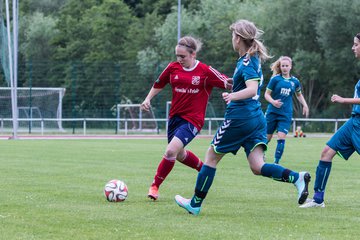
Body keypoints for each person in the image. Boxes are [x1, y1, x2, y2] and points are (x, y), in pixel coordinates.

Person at [174, 19, 311, 216]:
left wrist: (233, 95)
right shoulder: (251, 59)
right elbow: (249, 86)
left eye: (233, 36)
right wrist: (234, 84)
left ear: (238, 38)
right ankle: (297, 178)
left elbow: (252, 89)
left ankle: (195, 203)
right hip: (255, 118)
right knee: (257, 166)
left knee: (211, 157)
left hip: (239, 117)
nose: (232, 39)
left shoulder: (247, 61)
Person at [141, 36, 232, 201]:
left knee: (170, 151)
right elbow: (159, 84)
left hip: (193, 120)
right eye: (177, 56)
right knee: (180, 154)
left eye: (182, 56)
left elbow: (227, 82)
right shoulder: (172, 68)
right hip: (175, 118)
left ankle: (154, 186)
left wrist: (235, 89)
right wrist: (148, 99)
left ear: (193, 54)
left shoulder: (205, 71)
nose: (179, 59)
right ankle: (203, 169)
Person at [300, 33, 360, 208]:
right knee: (327, 152)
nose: (352, 47)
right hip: (353, 122)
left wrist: (343, 100)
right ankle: (318, 199)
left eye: (356, 44)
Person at [264, 56, 309, 164]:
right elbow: (266, 94)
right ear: (280, 66)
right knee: (267, 138)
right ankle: (260, 155)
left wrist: (305, 105)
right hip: (272, 113)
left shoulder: (295, 81)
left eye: (286, 66)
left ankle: (276, 162)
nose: (284, 68)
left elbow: (299, 95)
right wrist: (273, 102)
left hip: (285, 114)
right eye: (282, 66)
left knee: (281, 137)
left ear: (290, 67)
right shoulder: (275, 79)